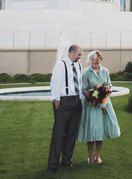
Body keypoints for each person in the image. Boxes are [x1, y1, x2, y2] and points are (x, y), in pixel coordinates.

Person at [78, 49, 120, 163]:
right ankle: (90, 157)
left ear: (100, 59)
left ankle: (98, 156)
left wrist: (103, 98)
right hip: (91, 105)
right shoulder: (86, 72)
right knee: (91, 130)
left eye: (97, 59)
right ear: (90, 60)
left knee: (100, 130)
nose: (95, 61)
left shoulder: (105, 71)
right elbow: (84, 89)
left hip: (103, 105)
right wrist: (93, 99)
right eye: (93, 59)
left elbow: (109, 86)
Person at [47, 44, 83, 173]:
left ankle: (67, 160)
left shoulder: (79, 65)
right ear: (72, 53)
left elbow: (80, 83)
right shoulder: (60, 65)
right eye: (79, 54)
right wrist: (57, 103)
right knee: (59, 133)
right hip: (63, 101)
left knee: (72, 133)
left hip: (76, 102)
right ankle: (52, 164)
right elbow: (54, 84)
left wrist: (81, 98)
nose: (80, 57)